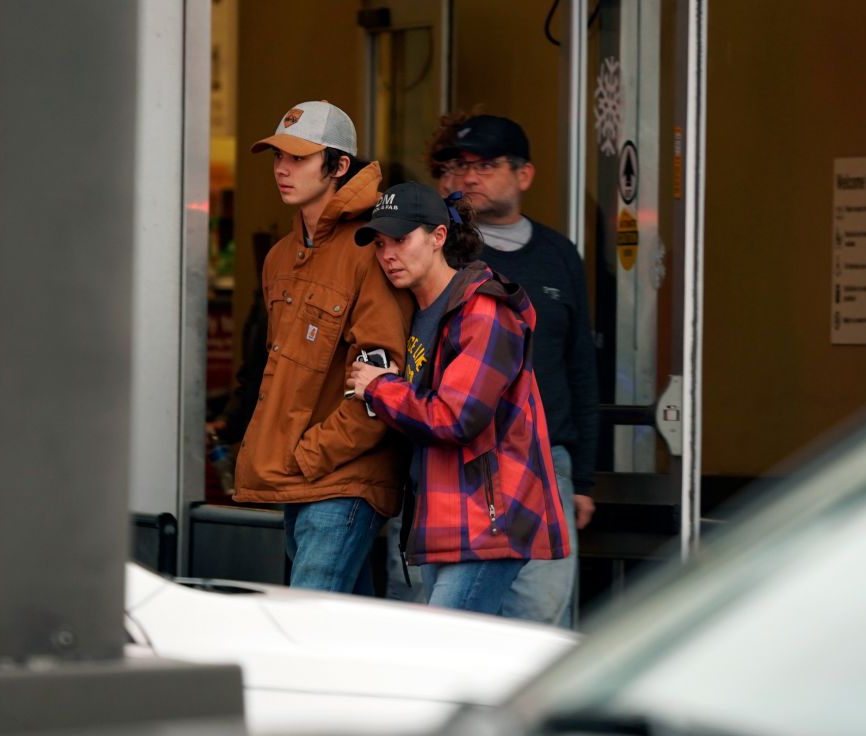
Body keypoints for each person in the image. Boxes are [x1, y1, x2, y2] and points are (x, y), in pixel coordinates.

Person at [348, 181, 569, 615]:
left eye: (400, 239)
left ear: (438, 237)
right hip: (444, 515)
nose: (387, 253)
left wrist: (378, 387)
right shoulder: (416, 312)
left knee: (439, 653)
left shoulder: (484, 309)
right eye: (379, 243)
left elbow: (456, 417)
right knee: (466, 658)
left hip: (488, 519)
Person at [232, 100, 412, 595]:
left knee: (309, 618)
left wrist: (307, 455)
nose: (282, 169)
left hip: (343, 479)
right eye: (276, 157)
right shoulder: (279, 257)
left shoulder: (371, 248)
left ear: (337, 166)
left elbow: (382, 382)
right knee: (344, 631)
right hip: (300, 479)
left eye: (298, 158)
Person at [433, 114, 599, 627]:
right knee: (450, 619)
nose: (469, 176)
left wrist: (583, 477)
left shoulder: (559, 256)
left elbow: (580, 368)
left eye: (485, 164)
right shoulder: (439, 249)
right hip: (459, 455)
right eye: (459, 165)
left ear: (524, 175)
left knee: (540, 613)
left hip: (546, 459)